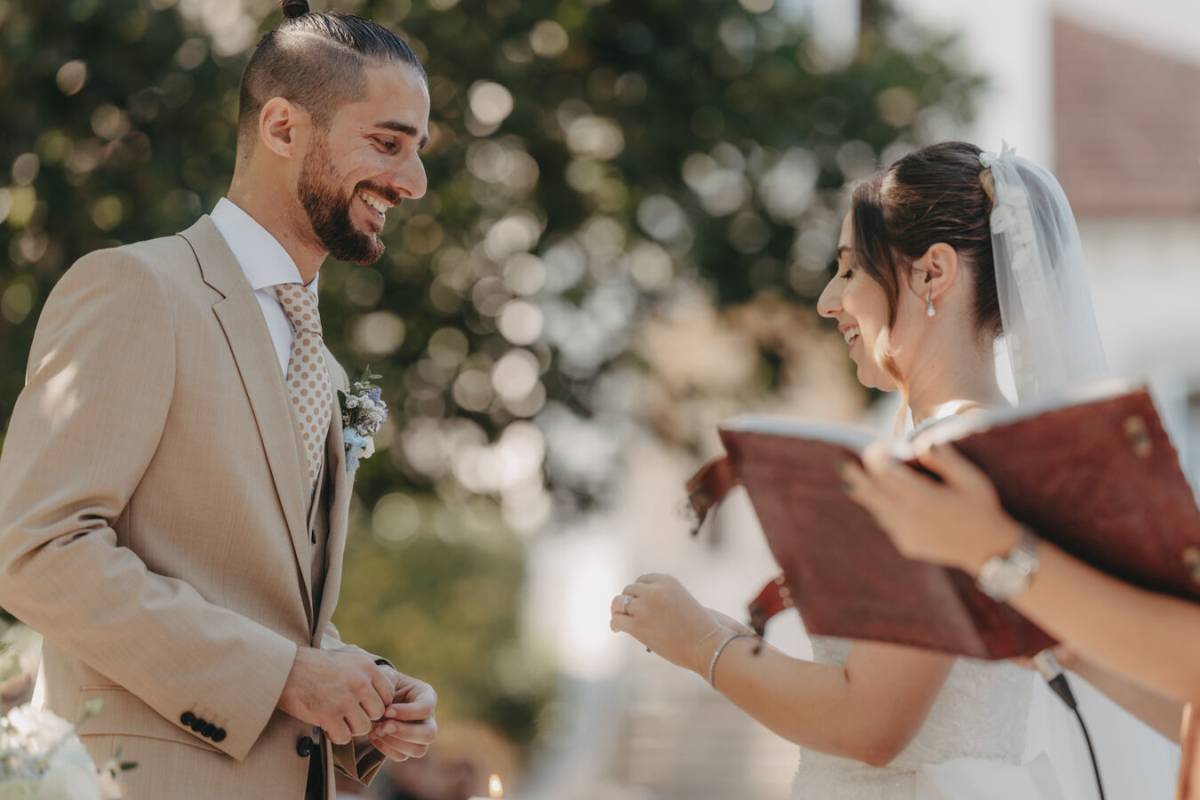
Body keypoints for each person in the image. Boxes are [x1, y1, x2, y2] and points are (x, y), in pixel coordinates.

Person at [0, 2, 437, 798]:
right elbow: (36, 551)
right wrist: (286, 676)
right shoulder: (136, 289)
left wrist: (357, 688)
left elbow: (264, 606)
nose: (413, 182)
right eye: (387, 143)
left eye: (418, 151)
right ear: (281, 128)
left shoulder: (328, 370)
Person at [613, 142, 1066, 798]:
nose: (828, 301)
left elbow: (872, 722)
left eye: (850, 270)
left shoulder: (945, 463)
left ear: (933, 273)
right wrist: (729, 639)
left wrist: (700, 643)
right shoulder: (999, 443)